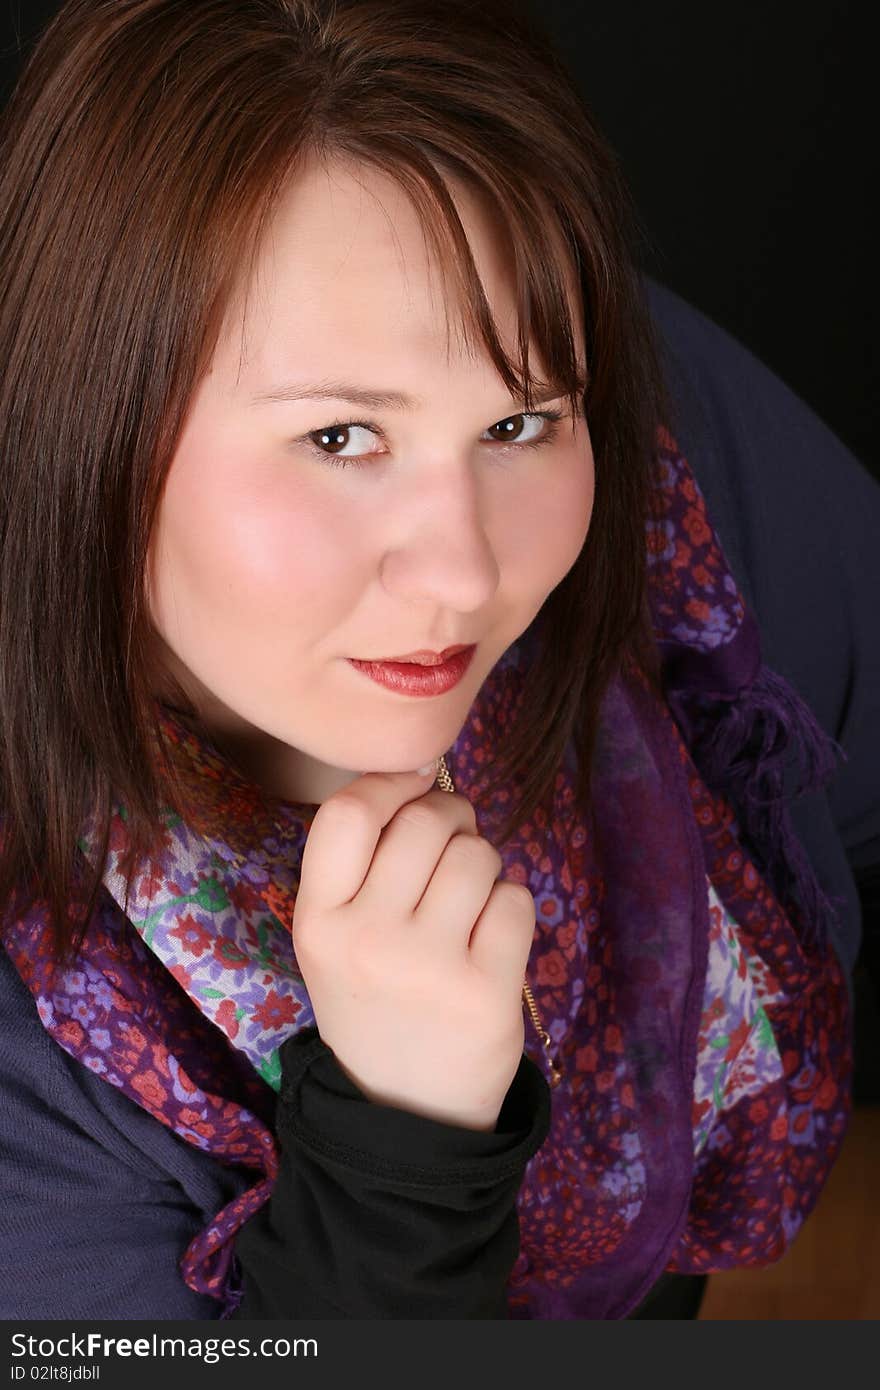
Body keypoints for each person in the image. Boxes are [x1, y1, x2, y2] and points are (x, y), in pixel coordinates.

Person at [0, 0, 863, 1321]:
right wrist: (403, 1150)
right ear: (87, 431)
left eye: (517, 420)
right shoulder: (31, 1051)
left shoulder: (662, 458)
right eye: (341, 438)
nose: (467, 571)